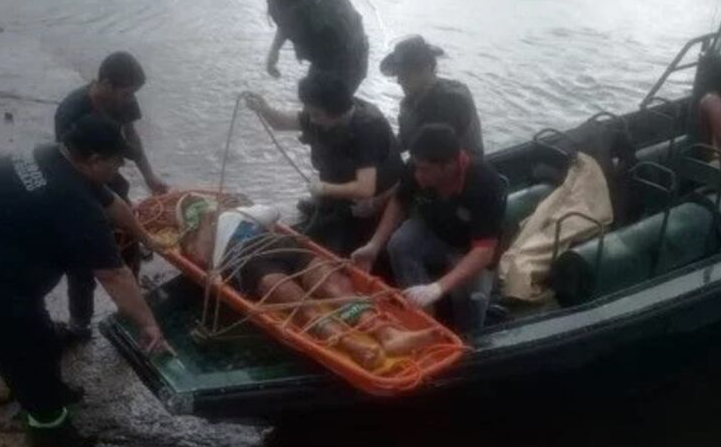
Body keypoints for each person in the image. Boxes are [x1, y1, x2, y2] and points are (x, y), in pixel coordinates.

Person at [0, 115, 167, 447]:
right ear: (95, 159)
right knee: (25, 355)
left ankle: (52, 391)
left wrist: (146, 238)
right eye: (117, 161)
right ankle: (49, 431)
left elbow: (112, 203)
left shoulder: (53, 156)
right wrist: (149, 324)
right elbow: (114, 275)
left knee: (44, 335)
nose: (119, 168)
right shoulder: (73, 203)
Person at [175, 193, 437, 369]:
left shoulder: (239, 215)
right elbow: (200, 259)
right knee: (302, 304)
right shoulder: (198, 237)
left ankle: (387, 334)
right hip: (248, 259)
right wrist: (209, 219)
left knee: (336, 288)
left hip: (280, 246)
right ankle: (352, 343)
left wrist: (226, 214)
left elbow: (271, 213)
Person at [54, 51, 167, 341]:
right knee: (81, 258)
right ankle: (80, 323)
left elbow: (132, 137)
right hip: (77, 181)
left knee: (128, 237)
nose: (129, 100)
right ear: (105, 83)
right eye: (126, 93)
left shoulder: (125, 100)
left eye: (133, 94)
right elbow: (70, 165)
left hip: (107, 173)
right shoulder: (71, 112)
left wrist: (149, 176)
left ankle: (131, 300)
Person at [352, 124, 507, 332]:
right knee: (400, 244)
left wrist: (438, 287)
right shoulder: (417, 167)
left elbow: (483, 251)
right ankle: (422, 315)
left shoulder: (484, 183)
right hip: (434, 230)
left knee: (470, 305)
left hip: (469, 250)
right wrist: (374, 244)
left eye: (424, 170)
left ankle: (467, 333)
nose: (417, 175)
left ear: (449, 165)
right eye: (416, 167)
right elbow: (399, 201)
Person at [244, 70, 403, 256]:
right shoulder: (323, 112)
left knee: (330, 249)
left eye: (316, 115)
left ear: (336, 112)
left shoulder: (367, 127)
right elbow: (281, 123)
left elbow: (365, 188)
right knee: (311, 229)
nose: (311, 119)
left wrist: (324, 188)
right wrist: (263, 108)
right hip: (342, 188)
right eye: (309, 112)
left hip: (374, 199)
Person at [253, 0, 369, 93]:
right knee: (313, 102)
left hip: (345, 60)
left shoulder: (327, 5)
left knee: (326, 107)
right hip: (322, 55)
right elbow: (288, 19)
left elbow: (336, 52)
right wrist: (274, 50)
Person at [380, 35, 484, 161]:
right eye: (398, 74)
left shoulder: (452, 100)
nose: (399, 81)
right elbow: (405, 140)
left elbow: (434, 154)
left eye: (405, 73)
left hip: (463, 174)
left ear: (427, 68)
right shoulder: (410, 102)